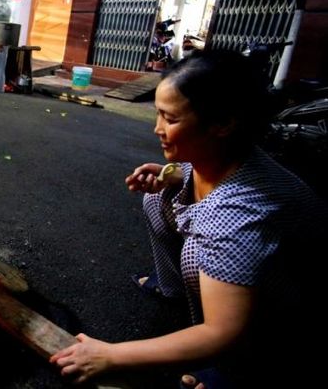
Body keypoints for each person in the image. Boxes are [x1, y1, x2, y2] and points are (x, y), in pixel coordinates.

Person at [50, 50, 327, 388]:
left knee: (197, 256)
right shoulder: (232, 157)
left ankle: (237, 371)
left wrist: (111, 355)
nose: (157, 128)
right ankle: (172, 290)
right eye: (158, 115)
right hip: (268, 272)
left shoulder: (234, 217)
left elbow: (223, 332)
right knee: (157, 196)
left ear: (223, 124)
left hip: (296, 320)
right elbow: (200, 181)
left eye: (171, 119)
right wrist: (176, 175)